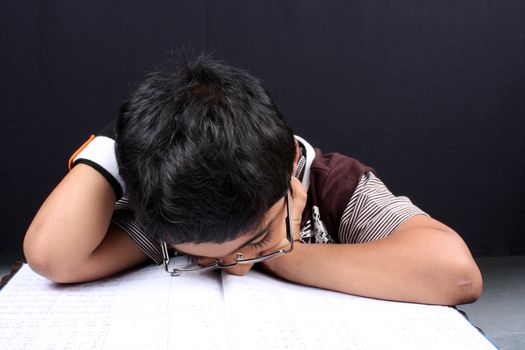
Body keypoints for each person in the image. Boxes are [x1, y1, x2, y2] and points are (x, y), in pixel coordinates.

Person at [23, 53, 482, 305]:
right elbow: (52, 258)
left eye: (257, 237)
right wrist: (117, 146)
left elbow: (458, 277)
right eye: (206, 260)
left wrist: (285, 255)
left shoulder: (333, 183)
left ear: (287, 172)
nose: (237, 263)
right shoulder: (176, 205)